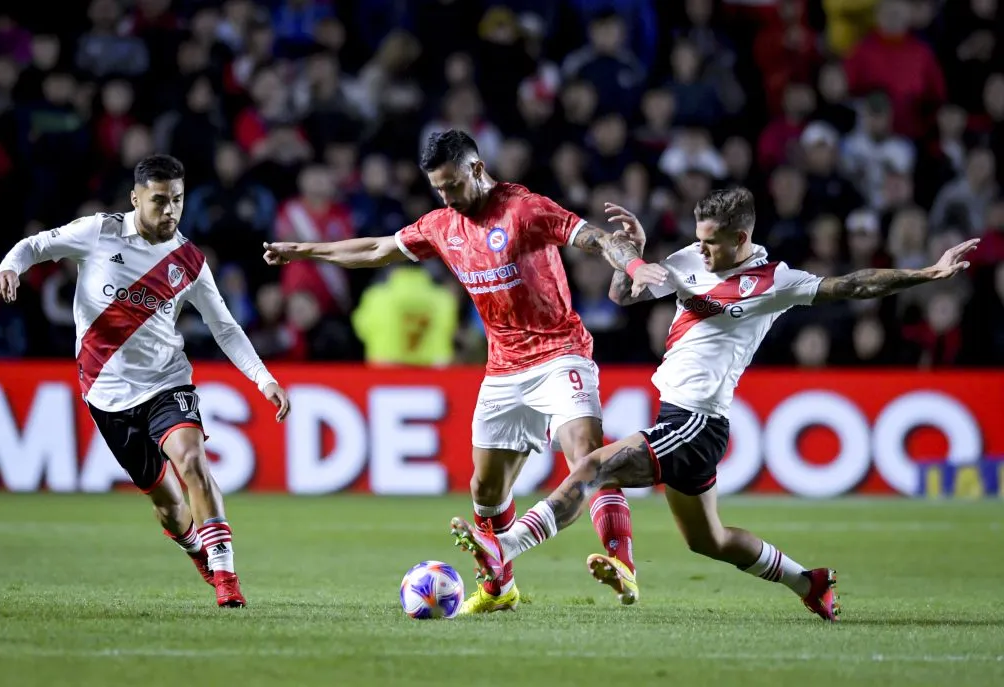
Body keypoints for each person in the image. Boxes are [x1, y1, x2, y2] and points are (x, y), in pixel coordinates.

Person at [449, 187, 980, 622]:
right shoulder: (688, 259)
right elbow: (623, 296)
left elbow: (851, 286)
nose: (700, 251)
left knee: (593, 466)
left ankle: (507, 547)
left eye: (711, 243)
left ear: (741, 238)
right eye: (699, 240)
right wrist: (631, 253)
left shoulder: (776, 282)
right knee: (710, 540)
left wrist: (925, 275)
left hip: (698, 423)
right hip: (676, 419)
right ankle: (809, 581)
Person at [263, 130, 655, 613]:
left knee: (587, 454)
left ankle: (622, 567)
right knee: (485, 490)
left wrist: (632, 261)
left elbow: (593, 238)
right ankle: (498, 588)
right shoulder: (442, 225)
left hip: (560, 353)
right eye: (438, 189)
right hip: (503, 368)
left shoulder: (523, 209)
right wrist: (305, 251)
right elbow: (374, 250)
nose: (447, 197)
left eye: (452, 185)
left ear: (475, 168)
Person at [0, 154, 291, 608]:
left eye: (177, 200)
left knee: (192, 462)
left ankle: (228, 579)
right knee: (170, 508)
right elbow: (35, 245)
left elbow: (225, 327)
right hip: (106, 393)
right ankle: (196, 550)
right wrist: (10, 267)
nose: (169, 211)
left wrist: (263, 379)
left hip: (167, 381)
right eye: (158, 201)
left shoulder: (189, 260)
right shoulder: (98, 232)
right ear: (136, 198)